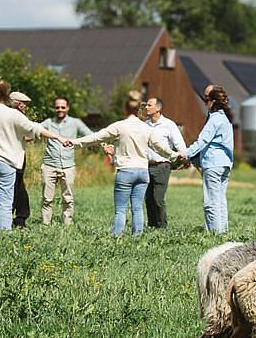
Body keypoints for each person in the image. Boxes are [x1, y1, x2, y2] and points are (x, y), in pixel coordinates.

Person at [0, 78, 69, 233]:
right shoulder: (12, 114)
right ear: (6, 95)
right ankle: (3, 237)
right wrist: (58, 137)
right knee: (5, 203)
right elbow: (35, 128)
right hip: (6, 163)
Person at [71, 91, 183, 237]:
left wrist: (74, 143)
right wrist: (175, 155)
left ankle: (117, 236)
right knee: (137, 208)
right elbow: (162, 148)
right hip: (143, 172)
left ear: (125, 108)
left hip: (126, 172)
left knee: (121, 209)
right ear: (139, 110)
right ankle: (137, 236)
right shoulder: (147, 128)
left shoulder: (120, 126)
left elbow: (96, 137)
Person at [184, 84, 234, 234]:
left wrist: (186, 153)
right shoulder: (225, 119)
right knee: (220, 200)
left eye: (206, 100)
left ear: (212, 102)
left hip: (213, 164)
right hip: (225, 164)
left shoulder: (214, 119)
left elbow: (202, 141)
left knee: (211, 202)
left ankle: (215, 235)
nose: (204, 103)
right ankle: (223, 232)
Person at [39, 96, 93, 225]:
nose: (60, 109)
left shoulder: (76, 122)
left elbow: (90, 135)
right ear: (54, 108)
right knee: (47, 198)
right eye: (57, 107)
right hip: (49, 165)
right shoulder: (48, 123)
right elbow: (34, 131)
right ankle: (45, 224)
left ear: (67, 108)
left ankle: (67, 224)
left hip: (68, 166)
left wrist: (103, 144)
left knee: (68, 198)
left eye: (63, 107)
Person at [143, 96, 186, 229]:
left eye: (149, 105)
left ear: (158, 108)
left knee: (158, 198)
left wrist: (183, 157)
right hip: (147, 166)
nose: (146, 107)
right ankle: (152, 226)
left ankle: (162, 228)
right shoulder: (145, 125)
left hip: (162, 166)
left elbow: (180, 144)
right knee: (148, 199)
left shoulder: (169, 125)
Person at [8, 91, 33, 227]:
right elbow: (28, 135)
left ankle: (19, 217)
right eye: (24, 104)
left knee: (17, 186)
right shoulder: (15, 116)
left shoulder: (18, 116)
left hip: (19, 156)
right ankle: (19, 218)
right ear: (16, 103)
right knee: (15, 187)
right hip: (13, 157)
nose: (25, 106)